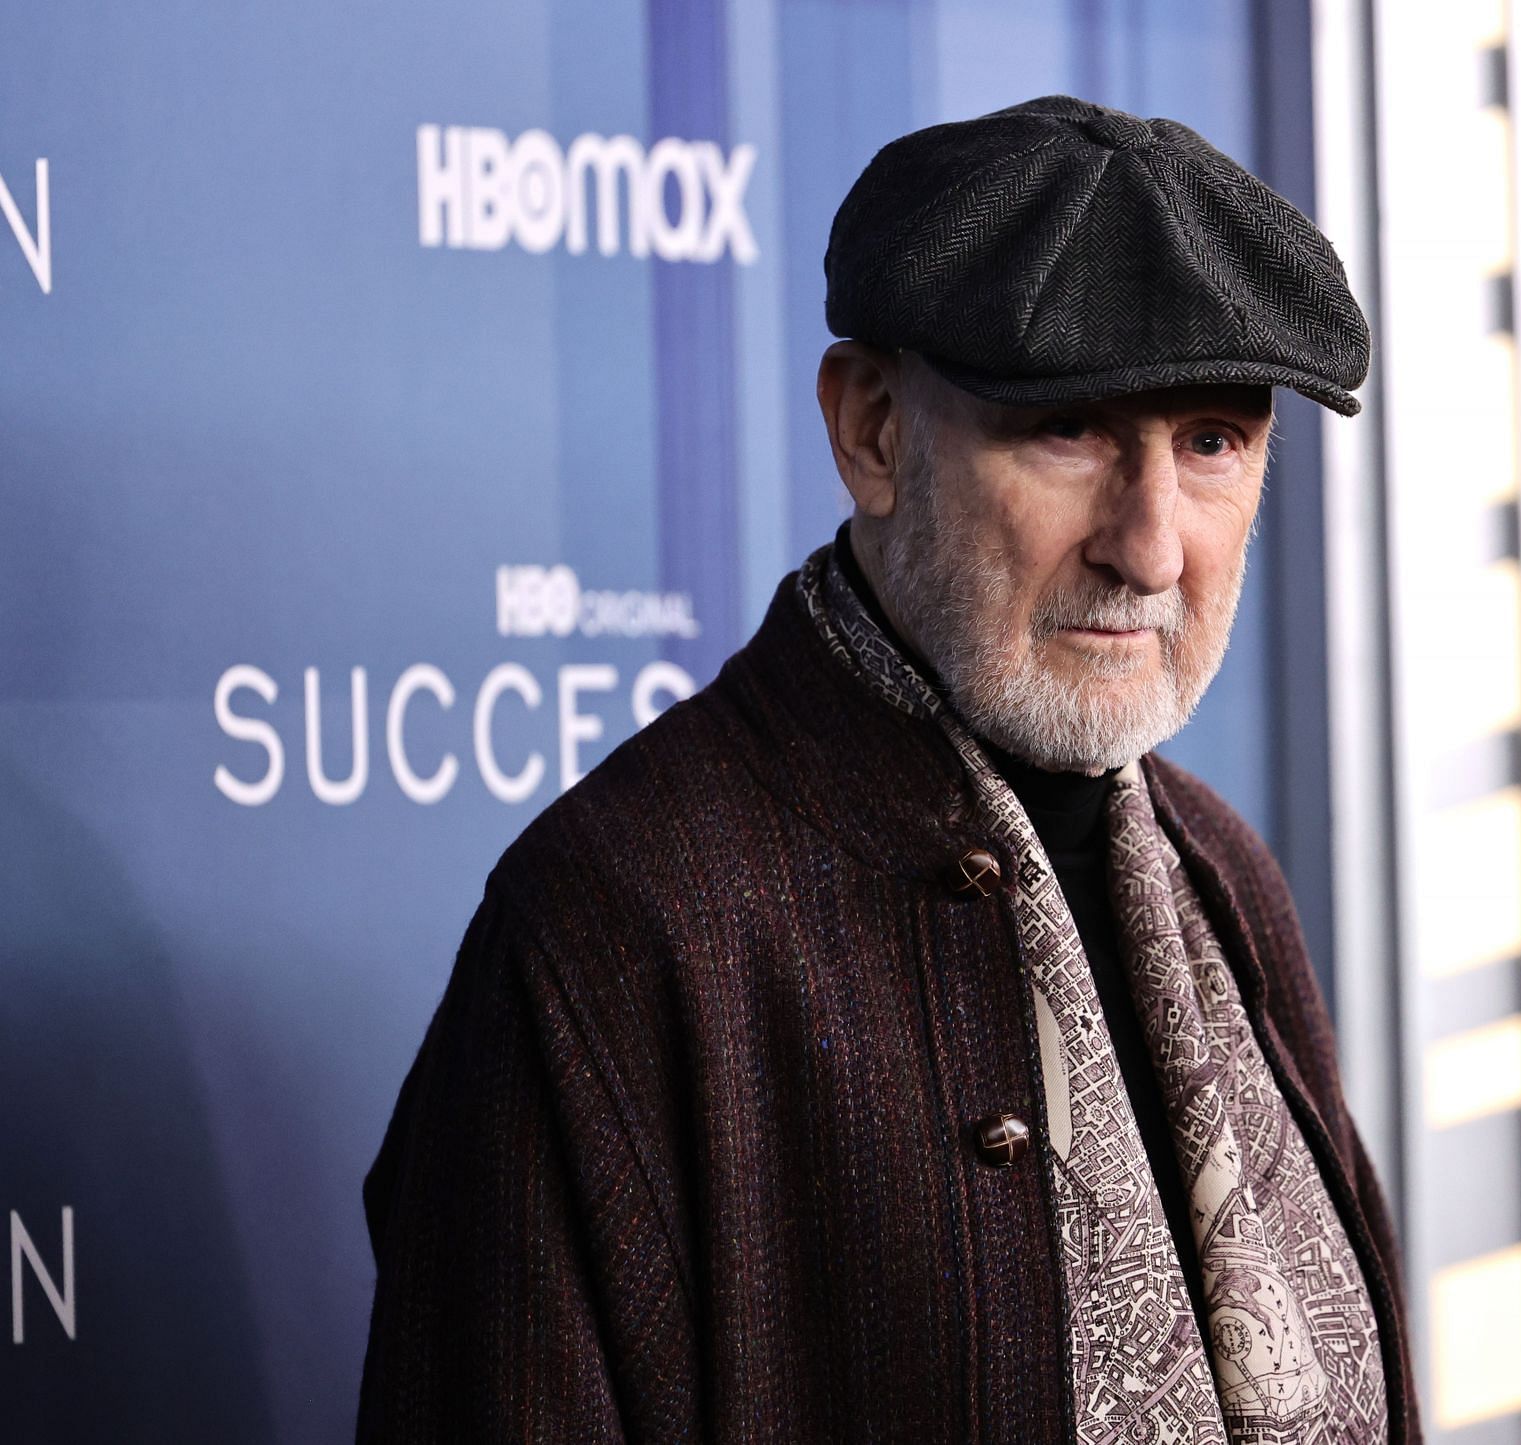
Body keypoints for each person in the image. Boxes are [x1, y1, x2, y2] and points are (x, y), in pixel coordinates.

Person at [356, 93, 1419, 1443]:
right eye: (1072, 429)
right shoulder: (616, 927)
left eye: (1211, 441)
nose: (1152, 547)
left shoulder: (1224, 876)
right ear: (871, 430)